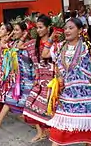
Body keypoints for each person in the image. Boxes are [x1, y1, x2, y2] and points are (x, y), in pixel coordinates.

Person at [42, 18, 91, 146]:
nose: (67, 30)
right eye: (66, 28)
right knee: (58, 134)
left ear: (80, 30)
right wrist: (51, 37)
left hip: (87, 100)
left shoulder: (89, 48)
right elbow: (44, 54)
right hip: (66, 99)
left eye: (71, 28)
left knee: (87, 137)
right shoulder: (58, 47)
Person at [22, 14, 56, 143]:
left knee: (52, 109)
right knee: (30, 105)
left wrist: (52, 38)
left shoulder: (56, 44)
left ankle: (54, 135)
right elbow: (19, 45)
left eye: (41, 27)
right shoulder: (33, 44)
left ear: (49, 28)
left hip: (53, 81)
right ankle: (40, 132)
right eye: (36, 28)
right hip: (40, 80)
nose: (38, 30)